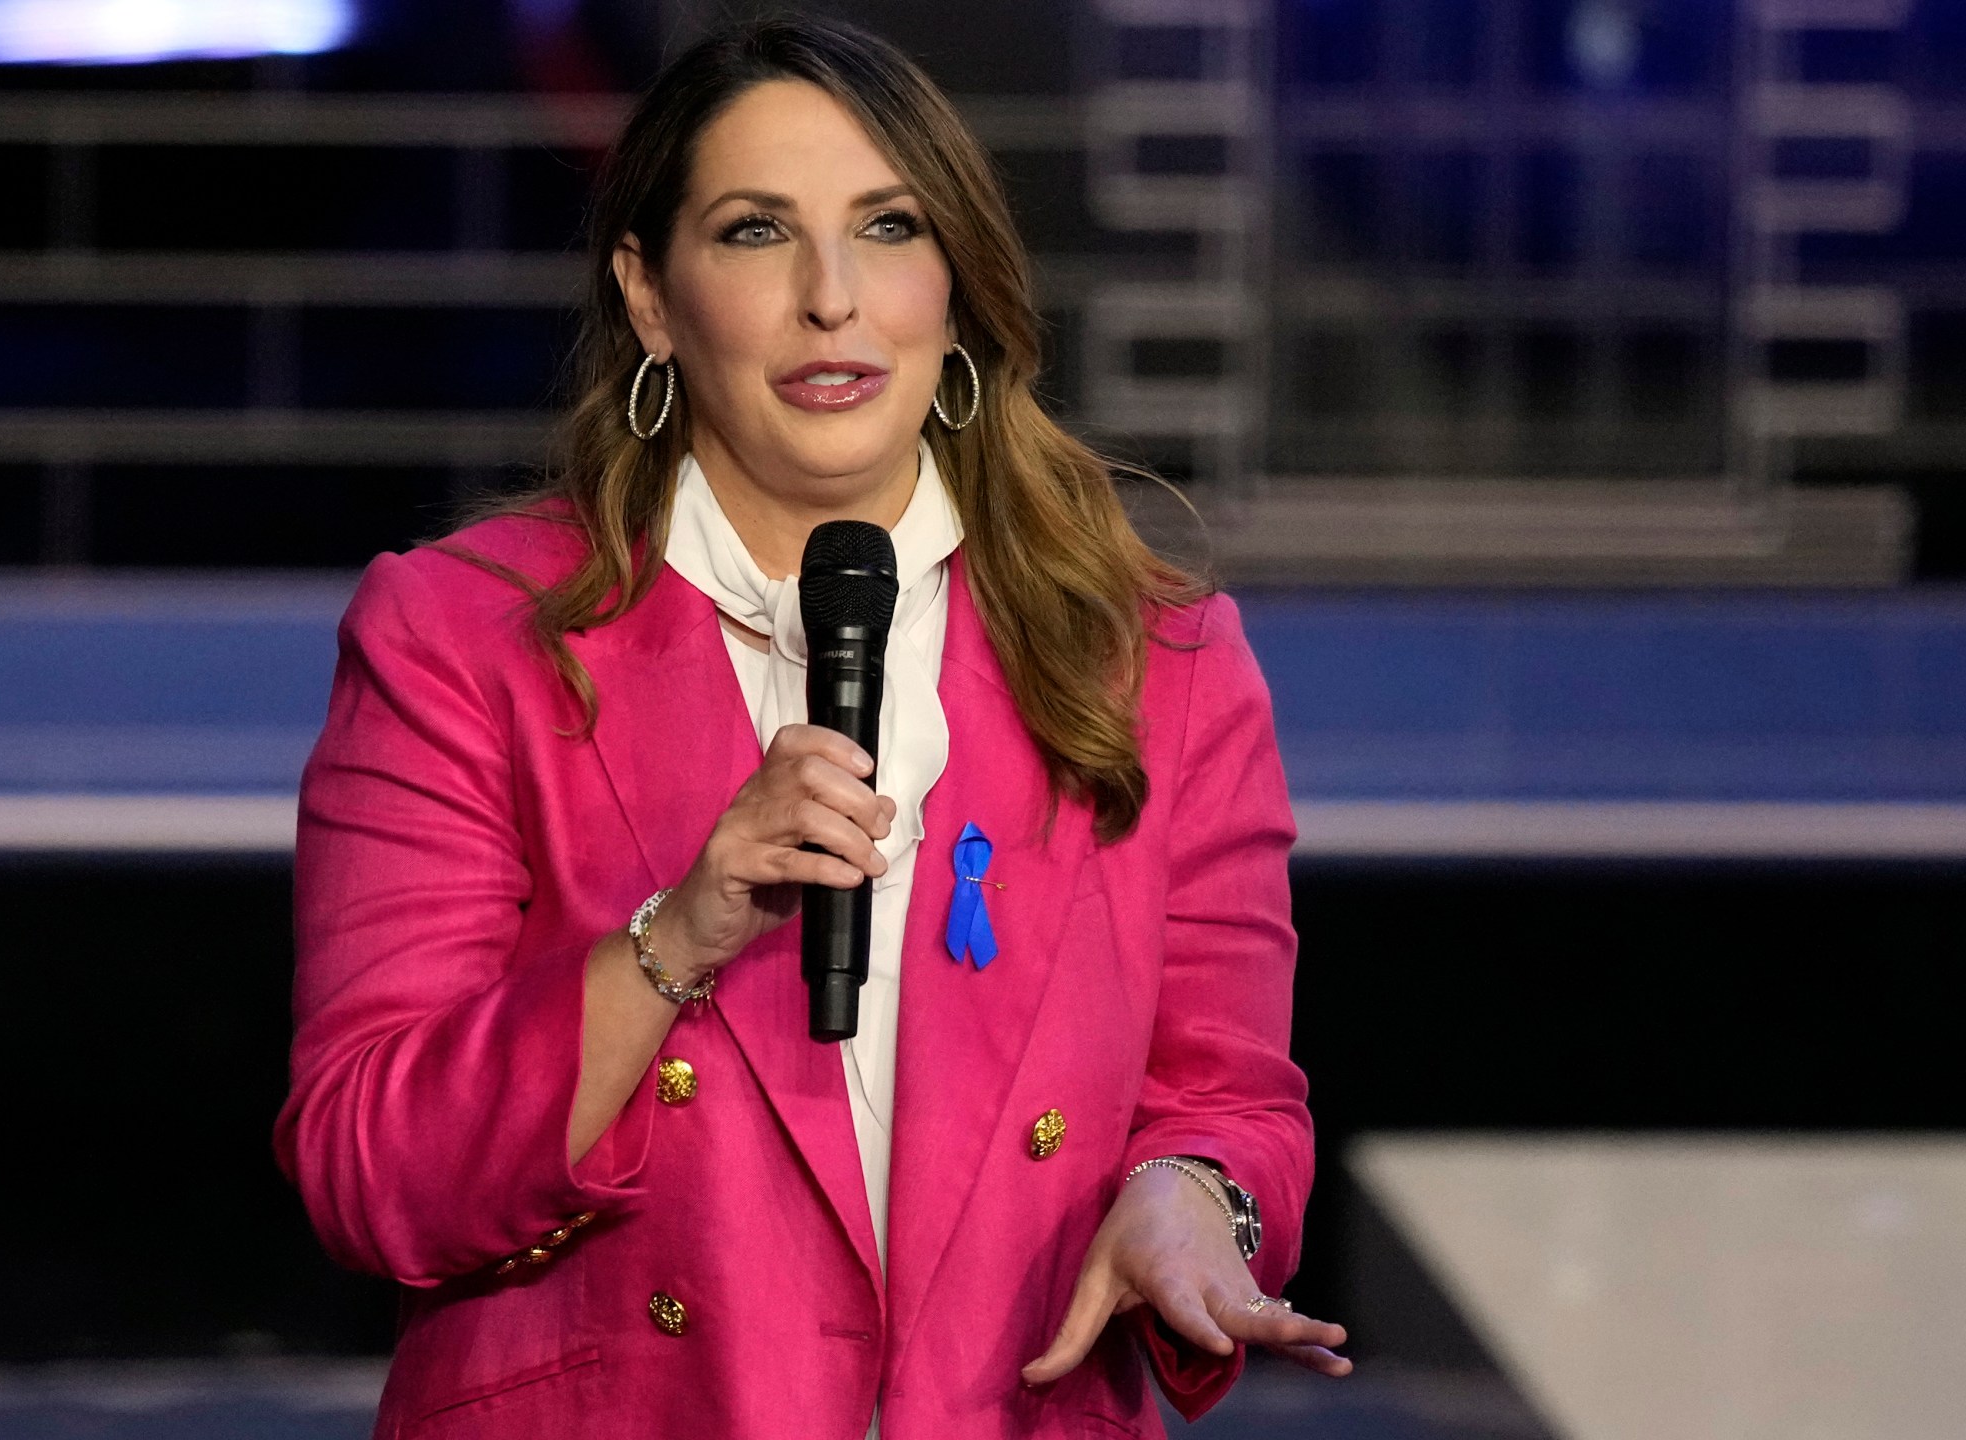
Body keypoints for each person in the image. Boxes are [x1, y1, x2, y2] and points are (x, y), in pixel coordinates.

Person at [276, 19, 1347, 1438]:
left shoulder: (1157, 662)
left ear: (955, 286)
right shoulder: (460, 640)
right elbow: (371, 1167)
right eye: (756, 233)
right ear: (653, 298)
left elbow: (1230, 1100)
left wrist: (1189, 1199)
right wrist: (685, 929)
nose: (832, 300)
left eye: (886, 228)